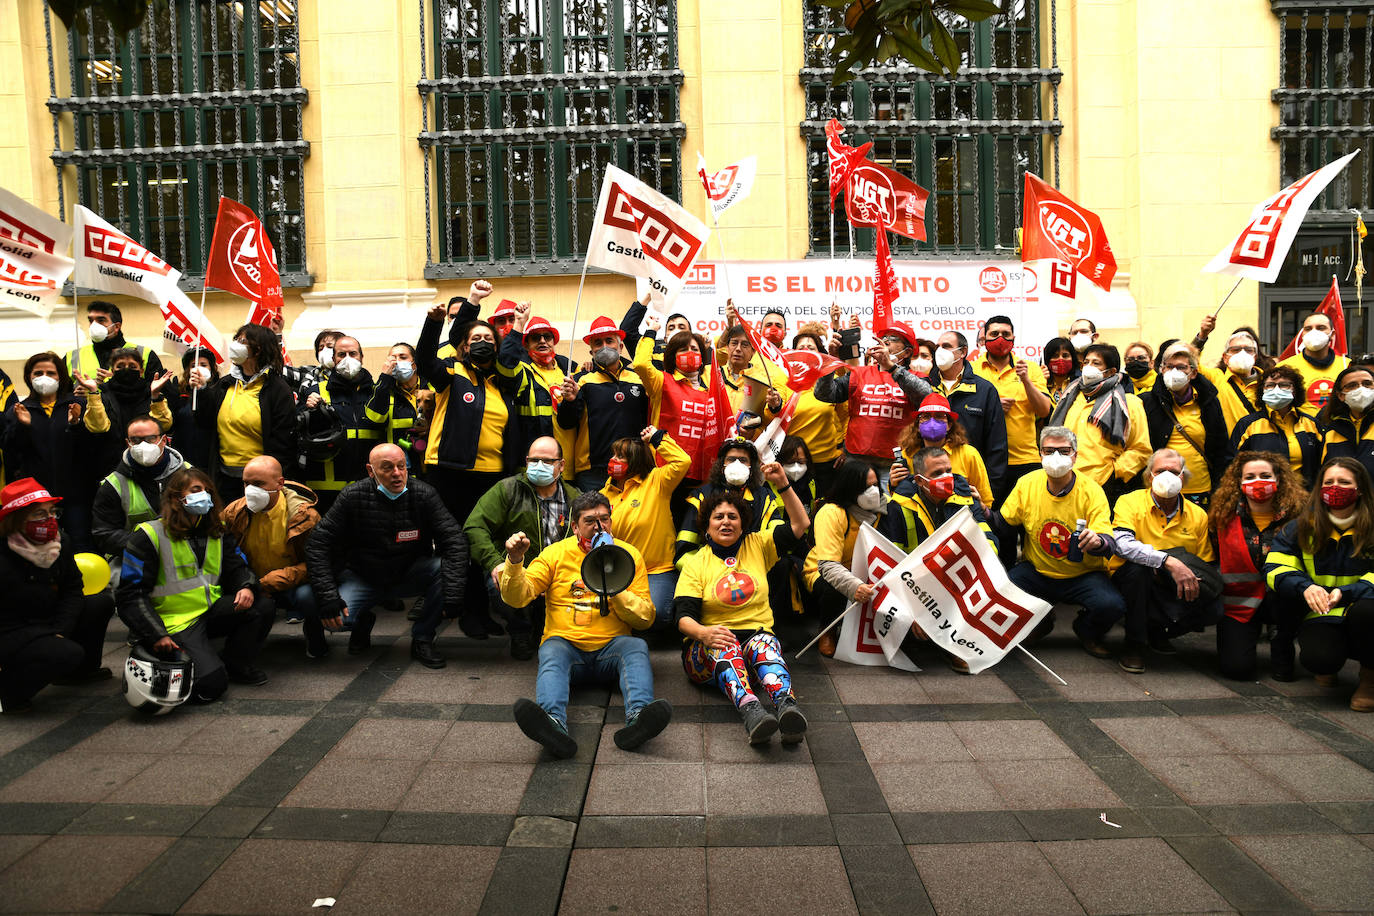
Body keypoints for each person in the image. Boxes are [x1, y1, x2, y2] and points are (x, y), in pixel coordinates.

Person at [500, 491, 674, 757]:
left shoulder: (628, 555)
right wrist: (514, 562)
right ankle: (552, 724)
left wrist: (615, 587)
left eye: (605, 520)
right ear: (574, 526)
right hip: (567, 646)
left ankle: (639, 720)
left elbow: (646, 617)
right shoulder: (555, 553)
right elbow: (517, 597)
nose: (599, 527)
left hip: (611, 650)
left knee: (636, 646)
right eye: (590, 521)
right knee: (551, 650)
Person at [675, 463, 812, 744]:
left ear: (743, 523)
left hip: (754, 638)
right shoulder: (696, 562)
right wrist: (704, 633)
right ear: (707, 526)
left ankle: (787, 707)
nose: (726, 522)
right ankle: (752, 712)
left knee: (766, 647)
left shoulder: (759, 545)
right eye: (719, 517)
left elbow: (800, 525)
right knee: (724, 646)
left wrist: (783, 484)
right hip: (708, 649)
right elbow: (682, 617)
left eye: (733, 517)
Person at [116, 468, 273, 702]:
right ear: (175, 497)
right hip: (174, 622)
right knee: (210, 686)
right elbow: (130, 595)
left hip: (208, 610)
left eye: (208, 491)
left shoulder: (216, 529)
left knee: (263, 606)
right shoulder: (148, 536)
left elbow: (238, 567)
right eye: (196, 490)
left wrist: (246, 586)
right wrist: (155, 634)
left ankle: (234, 664)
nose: (204, 496)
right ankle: (154, 653)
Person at [306, 443, 469, 669]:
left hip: (408, 573)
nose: (397, 474)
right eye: (387, 468)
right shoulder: (352, 496)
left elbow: (455, 540)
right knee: (337, 622)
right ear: (370, 471)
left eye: (402, 466)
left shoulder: (424, 494)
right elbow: (318, 543)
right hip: (362, 576)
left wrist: (453, 595)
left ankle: (423, 638)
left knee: (442, 568)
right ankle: (363, 619)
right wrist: (328, 598)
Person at [994, 426, 1126, 657]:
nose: (1056, 457)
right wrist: (981, 511)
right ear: (1040, 454)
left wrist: (1097, 542)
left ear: (1075, 455)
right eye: (1049, 450)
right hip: (1037, 571)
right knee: (1001, 590)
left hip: (1082, 574)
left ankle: (1087, 630)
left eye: (1064, 451)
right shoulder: (1027, 483)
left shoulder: (1091, 490)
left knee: (1112, 605)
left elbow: (1109, 541)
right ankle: (1041, 621)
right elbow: (1003, 524)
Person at [1265, 457, 1374, 710]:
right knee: (1320, 660)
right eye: (1329, 482)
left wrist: (1346, 593)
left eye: (1344, 482)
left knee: (1369, 612)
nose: (1335, 488)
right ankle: (1330, 664)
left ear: (1360, 490)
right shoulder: (1301, 527)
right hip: (1321, 612)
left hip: (1364, 610)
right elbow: (1274, 568)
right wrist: (1305, 587)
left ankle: (1369, 679)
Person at [0, 478, 116, 712]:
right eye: (39, 514)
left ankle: (80, 672)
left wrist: (61, 630)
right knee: (65, 653)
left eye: (52, 512)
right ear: (17, 519)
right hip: (12, 631)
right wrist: (49, 636)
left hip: (46, 619)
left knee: (99, 603)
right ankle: (9, 694)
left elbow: (73, 589)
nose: (49, 520)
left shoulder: (60, 543)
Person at [465, 436, 581, 660]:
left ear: (562, 465)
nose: (539, 466)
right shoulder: (507, 489)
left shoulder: (575, 497)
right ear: (526, 461)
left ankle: (550, 627)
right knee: (501, 585)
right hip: (521, 571)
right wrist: (494, 563)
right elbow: (474, 526)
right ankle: (520, 631)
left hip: (559, 574)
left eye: (547, 461)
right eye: (534, 460)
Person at [1107, 449, 1221, 673]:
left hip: (1172, 582)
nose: (1167, 476)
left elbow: (1204, 561)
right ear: (1150, 476)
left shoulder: (1198, 514)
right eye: (1160, 471)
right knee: (1137, 572)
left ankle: (1158, 632)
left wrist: (1184, 573)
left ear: (1184, 478)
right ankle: (1134, 645)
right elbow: (1122, 544)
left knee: (1215, 608)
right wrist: (1167, 561)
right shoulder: (1129, 501)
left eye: (1174, 472)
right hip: (1133, 580)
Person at [416, 303, 522, 525]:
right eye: (475, 339)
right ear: (464, 347)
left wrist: (520, 323)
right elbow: (425, 361)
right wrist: (434, 323)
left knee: (484, 534)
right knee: (452, 536)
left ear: (496, 347)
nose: (482, 342)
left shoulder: (503, 384)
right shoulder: (452, 371)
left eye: (488, 339)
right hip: (450, 472)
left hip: (493, 475)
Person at [1208, 451, 1306, 681]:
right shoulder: (1222, 517)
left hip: (1282, 601)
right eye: (1249, 477)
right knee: (1236, 669)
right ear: (1239, 482)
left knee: (1285, 672)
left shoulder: (1299, 517)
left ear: (1278, 480)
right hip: (1239, 603)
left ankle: (1281, 641)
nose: (1257, 482)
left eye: (1265, 475)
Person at [815, 322, 932, 489]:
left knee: (892, 512)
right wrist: (830, 359)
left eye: (892, 339)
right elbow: (823, 394)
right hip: (856, 463)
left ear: (906, 352)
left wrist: (891, 368)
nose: (885, 342)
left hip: (895, 466)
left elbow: (926, 396)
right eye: (882, 338)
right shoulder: (858, 373)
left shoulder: (916, 377)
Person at [190, 323, 298, 503]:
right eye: (236, 340)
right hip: (224, 478)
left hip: (260, 482)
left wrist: (270, 481)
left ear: (258, 349)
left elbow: (284, 443)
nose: (235, 345)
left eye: (242, 341)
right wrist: (201, 391)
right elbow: (204, 422)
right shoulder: (226, 384)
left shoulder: (277, 389)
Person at [223, 456, 321, 654]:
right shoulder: (234, 512)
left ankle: (315, 634)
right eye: (246, 483)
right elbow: (224, 553)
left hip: (292, 582)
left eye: (258, 484)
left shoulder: (305, 517)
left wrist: (269, 582)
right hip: (250, 583)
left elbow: (316, 564)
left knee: (308, 596)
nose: (250, 490)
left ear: (280, 483)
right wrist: (247, 583)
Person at [3, 353, 98, 550]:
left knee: (78, 545)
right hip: (36, 499)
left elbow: (91, 450)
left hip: (75, 496)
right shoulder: (19, 409)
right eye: (38, 373)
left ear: (60, 377)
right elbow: (11, 452)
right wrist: (23, 427)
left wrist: (75, 424)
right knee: (38, 547)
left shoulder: (77, 405)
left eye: (50, 373)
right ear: (29, 377)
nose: (44, 377)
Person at [602, 426, 692, 630]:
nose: (613, 460)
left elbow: (682, 461)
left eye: (621, 456)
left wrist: (658, 438)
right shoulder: (604, 493)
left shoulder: (657, 482)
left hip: (656, 569)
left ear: (635, 461)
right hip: (621, 571)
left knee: (657, 614)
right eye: (613, 455)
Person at [803, 458, 888, 657]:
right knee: (832, 587)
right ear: (850, 488)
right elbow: (829, 566)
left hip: (866, 570)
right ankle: (828, 630)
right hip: (824, 570)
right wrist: (854, 586)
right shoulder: (832, 512)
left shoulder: (886, 509)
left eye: (875, 485)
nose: (873, 491)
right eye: (866, 487)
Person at [1046, 343, 1150, 503]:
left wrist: (1115, 472)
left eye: (1096, 363)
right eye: (1086, 362)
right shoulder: (1071, 397)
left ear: (1111, 371)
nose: (1088, 367)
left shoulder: (1128, 403)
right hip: (1065, 481)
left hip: (1104, 484)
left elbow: (1141, 449)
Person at [557, 315, 650, 492]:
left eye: (609, 341)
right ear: (591, 350)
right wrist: (570, 401)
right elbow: (566, 423)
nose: (604, 347)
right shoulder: (579, 381)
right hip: (593, 472)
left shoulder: (640, 379)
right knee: (593, 519)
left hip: (635, 467)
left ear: (621, 346)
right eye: (598, 343)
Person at [1139, 343, 1228, 507]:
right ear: (1162, 369)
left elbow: (1221, 448)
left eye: (1181, 367)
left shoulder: (1208, 402)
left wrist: (1219, 487)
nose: (1174, 372)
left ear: (1193, 372)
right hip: (1157, 488)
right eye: (1169, 366)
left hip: (1199, 489)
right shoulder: (1147, 402)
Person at [299, 335, 383, 511]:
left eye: (353, 354)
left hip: (369, 488)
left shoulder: (376, 393)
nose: (347, 359)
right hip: (326, 492)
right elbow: (299, 432)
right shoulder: (315, 391)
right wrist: (308, 409)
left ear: (361, 357)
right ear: (333, 359)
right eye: (341, 354)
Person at [92, 415, 189, 562]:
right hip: (135, 560)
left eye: (150, 438)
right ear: (128, 443)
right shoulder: (114, 485)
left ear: (163, 440)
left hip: (184, 557)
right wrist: (148, 544)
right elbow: (104, 534)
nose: (143, 445)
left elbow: (210, 519)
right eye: (136, 440)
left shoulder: (189, 475)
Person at [973, 316, 1052, 495]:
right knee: (989, 516)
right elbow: (964, 412)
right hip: (985, 460)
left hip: (1025, 460)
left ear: (1013, 339)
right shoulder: (971, 370)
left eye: (1005, 334)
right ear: (984, 339)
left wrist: (1025, 380)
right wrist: (992, 407)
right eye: (994, 334)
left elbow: (1044, 410)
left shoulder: (1030, 369)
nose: (1000, 338)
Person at [632, 316, 713, 485]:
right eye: (683, 349)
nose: (690, 352)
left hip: (700, 476)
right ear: (672, 356)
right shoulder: (661, 381)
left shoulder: (710, 392)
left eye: (694, 349)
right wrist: (651, 331)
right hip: (665, 473)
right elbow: (640, 364)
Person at [676, 439, 785, 562]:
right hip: (709, 572)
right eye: (731, 459)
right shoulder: (701, 496)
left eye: (743, 460)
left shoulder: (766, 497)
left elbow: (780, 541)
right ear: (722, 466)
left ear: (751, 468)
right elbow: (684, 553)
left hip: (755, 568)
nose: (737, 464)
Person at [930, 330, 1009, 496]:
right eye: (937, 347)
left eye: (946, 346)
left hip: (970, 483)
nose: (940, 351)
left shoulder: (984, 390)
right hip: (930, 479)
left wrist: (991, 490)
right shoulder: (925, 387)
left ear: (963, 352)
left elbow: (997, 445)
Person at [80, 347, 176, 482]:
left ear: (141, 370)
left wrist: (156, 397)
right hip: (110, 467)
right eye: (120, 366)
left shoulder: (151, 392)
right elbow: (98, 427)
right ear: (112, 371)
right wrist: (93, 392)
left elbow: (164, 425)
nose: (126, 369)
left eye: (132, 366)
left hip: (148, 465)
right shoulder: (102, 393)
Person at [498, 304, 576, 467]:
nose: (542, 341)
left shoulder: (569, 370)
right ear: (525, 345)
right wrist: (519, 323)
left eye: (547, 337)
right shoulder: (522, 371)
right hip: (536, 463)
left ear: (554, 341)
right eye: (535, 338)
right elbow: (505, 362)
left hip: (569, 463)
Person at [1230, 364, 1322, 488]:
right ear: (1262, 390)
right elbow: (1232, 464)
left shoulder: (1310, 424)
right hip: (1262, 498)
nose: (1276, 390)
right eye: (1270, 385)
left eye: (1284, 385)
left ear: (1294, 390)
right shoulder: (1248, 424)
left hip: (1304, 498)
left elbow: (1321, 464)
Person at [896, 393, 992, 510]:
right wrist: (893, 484)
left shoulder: (969, 454)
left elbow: (986, 500)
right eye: (926, 416)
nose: (932, 422)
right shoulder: (907, 454)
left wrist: (981, 507)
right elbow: (899, 500)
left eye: (939, 416)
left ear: (949, 425)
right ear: (918, 425)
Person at [785, 326, 846, 498]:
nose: (806, 351)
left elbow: (845, 415)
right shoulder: (782, 381)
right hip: (792, 464)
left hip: (827, 464)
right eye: (801, 348)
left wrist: (844, 450)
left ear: (820, 353)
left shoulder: (830, 383)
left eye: (811, 348)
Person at [66, 300, 164, 383]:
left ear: (117, 326)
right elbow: (61, 395)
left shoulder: (145, 354)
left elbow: (157, 394)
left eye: (101, 320)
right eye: (91, 320)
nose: (94, 325)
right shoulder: (72, 357)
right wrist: (75, 397)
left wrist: (117, 381)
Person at [365, 342, 429, 458]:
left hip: (429, 460)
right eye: (392, 359)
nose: (396, 362)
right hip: (398, 463)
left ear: (414, 365)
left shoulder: (430, 388)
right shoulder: (383, 390)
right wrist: (385, 378)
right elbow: (374, 420)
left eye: (403, 357)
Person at [1277, 311, 1350, 409]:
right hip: (1301, 424)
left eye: (1321, 328)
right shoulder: (1285, 367)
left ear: (1332, 335)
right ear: (1302, 335)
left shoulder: (1347, 365)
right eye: (1308, 329)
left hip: (1338, 424)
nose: (1314, 332)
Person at [1199, 329, 1264, 429]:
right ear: (1225, 358)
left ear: (1254, 357)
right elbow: (1192, 364)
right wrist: (1202, 336)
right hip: (1230, 444)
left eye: (1248, 350)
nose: (1242, 354)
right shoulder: (1216, 378)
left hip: (1259, 443)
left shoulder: (1267, 381)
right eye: (1236, 350)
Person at [1320, 365, 1374, 481]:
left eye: (1367, 384)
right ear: (1341, 395)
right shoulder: (1331, 430)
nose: (1361, 389)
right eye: (1352, 386)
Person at [168, 349, 218, 470]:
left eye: (203, 365)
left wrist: (203, 390)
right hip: (184, 452)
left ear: (212, 368)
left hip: (209, 456)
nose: (198, 369)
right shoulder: (178, 392)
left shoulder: (220, 390)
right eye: (193, 365)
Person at [283, 329, 342, 396]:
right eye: (321, 348)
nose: (324, 351)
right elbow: (282, 371)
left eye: (330, 347)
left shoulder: (350, 376)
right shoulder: (309, 372)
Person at [1043, 336, 1080, 405]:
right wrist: (1042, 382)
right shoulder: (1041, 383)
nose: (1060, 359)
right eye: (1055, 356)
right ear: (1047, 360)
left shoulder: (1080, 383)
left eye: (1065, 356)